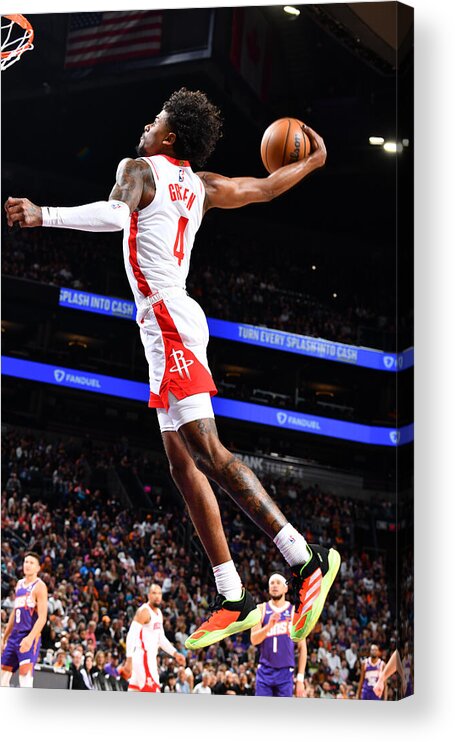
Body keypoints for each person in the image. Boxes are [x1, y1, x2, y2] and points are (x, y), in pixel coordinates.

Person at [4, 88, 340, 650]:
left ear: (171, 137)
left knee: (208, 452)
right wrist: (312, 160)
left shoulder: (138, 169)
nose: (147, 123)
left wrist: (45, 214)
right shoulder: (204, 187)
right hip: (172, 320)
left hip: (166, 317)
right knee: (183, 463)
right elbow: (263, 188)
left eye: (156, 118)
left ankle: (304, 560)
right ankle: (232, 594)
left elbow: (117, 211)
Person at [250, 573, 307, 697]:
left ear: (286, 588)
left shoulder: (294, 612)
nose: (274, 585)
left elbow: (302, 648)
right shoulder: (260, 609)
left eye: (278, 583)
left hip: (286, 673)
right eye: (272, 583)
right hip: (265, 671)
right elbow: (254, 640)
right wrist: (269, 626)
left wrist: (300, 679)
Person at [123, 583, 185, 692]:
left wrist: (175, 653)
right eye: (154, 593)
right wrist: (129, 658)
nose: (157, 596)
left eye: (159, 593)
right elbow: (131, 635)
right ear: (148, 595)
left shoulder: (159, 613)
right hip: (143, 657)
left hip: (150, 658)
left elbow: (161, 638)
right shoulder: (144, 611)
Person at [1, 551, 48, 688]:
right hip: (14, 636)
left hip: (28, 635)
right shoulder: (19, 584)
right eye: (26, 562)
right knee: (2, 677)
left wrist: (30, 638)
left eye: (31, 563)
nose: (27, 565)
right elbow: (15, 613)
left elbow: (42, 618)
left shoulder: (40, 586)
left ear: (38, 568)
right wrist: (5, 636)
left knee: (25, 678)